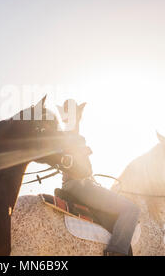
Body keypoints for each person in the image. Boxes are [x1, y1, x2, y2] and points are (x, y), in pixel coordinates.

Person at [58, 99, 140, 256]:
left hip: (75, 184)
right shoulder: (72, 135)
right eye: (75, 114)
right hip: (80, 185)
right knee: (131, 209)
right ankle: (116, 252)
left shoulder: (67, 135)